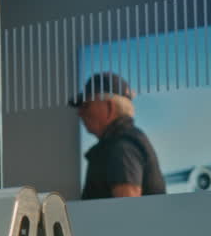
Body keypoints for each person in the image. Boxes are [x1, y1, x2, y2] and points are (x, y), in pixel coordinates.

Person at [70, 71, 165, 199]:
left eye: (86, 105)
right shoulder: (123, 143)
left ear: (109, 107)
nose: (80, 113)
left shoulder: (121, 147)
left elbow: (127, 211)